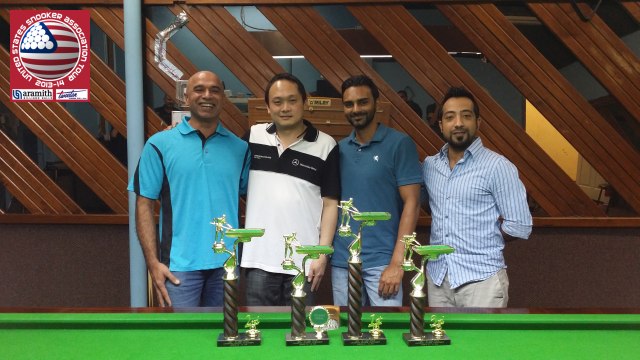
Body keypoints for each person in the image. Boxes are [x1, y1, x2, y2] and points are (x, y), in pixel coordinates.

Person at [129, 71, 251, 307]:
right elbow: (143, 204)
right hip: (178, 268)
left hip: (227, 266)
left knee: (223, 337)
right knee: (180, 340)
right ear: (186, 98)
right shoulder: (159, 144)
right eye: (199, 89)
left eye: (214, 90)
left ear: (222, 99)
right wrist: (153, 263)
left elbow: (252, 199)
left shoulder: (240, 149)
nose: (207, 95)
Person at [422, 86, 532, 307]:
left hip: (482, 281)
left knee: (482, 343)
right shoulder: (430, 166)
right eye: (450, 117)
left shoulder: (497, 166)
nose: (459, 123)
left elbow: (520, 225)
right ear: (441, 125)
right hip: (438, 279)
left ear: (478, 123)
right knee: (441, 341)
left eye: (466, 116)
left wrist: (484, 237)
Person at [241, 73, 340, 306]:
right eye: (277, 101)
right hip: (258, 261)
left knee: (301, 336)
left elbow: (330, 203)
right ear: (267, 107)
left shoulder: (326, 145)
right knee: (261, 333)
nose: (285, 108)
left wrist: (322, 253)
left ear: (305, 103)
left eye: (292, 100)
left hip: (304, 262)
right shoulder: (253, 137)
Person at [331, 75, 422, 306]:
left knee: (387, 336)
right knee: (347, 335)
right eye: (349, 104)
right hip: (343, 263)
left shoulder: (399, 144)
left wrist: (397, 263)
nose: (356, 109)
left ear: (376, 104)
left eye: (363, 102)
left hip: (384, 263)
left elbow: (413, 203)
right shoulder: (338, 149)